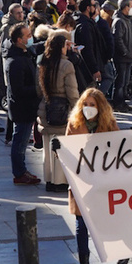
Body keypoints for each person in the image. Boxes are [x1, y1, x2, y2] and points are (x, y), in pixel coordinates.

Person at [64, 88, 127, 264]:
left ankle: (123, 250)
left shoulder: (109, 124)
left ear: (100, 107)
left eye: (92, 105)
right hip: (82, 183)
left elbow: (121, 148)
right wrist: (58, 149)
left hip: (104, 181)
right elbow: (66, 151)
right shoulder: (74, 124)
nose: (88, 108)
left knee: (110, 221)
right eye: (86, 104)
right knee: (81, 225)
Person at [37, 32, 81, 193]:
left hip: (46, 107)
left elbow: (38, 89)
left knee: (48, 148)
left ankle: (49, 179)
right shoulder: (66, 65)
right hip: (62, 109)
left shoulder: (43, 62)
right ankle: (60, 181)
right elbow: (72, 91)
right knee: (62, 145)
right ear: (61, 48)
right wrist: (77, 109)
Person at [4, 22, 41, 186]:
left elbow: (39, 47)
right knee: (20, 141)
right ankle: (19, 173)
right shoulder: (15, 61)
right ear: (19, 40)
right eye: (27, 36)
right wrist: (38, 89)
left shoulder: (26, 53)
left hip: (27, 106)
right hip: (22, 108)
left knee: (22, 140)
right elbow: (18, 89)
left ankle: (22, 170)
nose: (30, 38)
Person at [111, 0, 132, 112]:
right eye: (131, 6)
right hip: (122, 57)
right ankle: (118, 102)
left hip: (127, 56)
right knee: (120, 81)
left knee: (125, 81)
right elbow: (118, 39)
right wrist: (125, 52)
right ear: (125, 7)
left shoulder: (127, 20)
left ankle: (123, 102)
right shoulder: (119, 21)